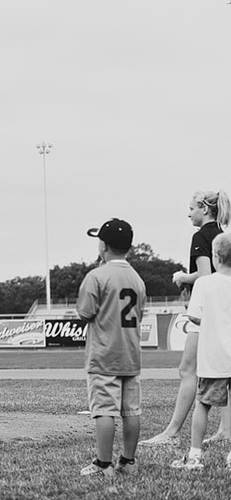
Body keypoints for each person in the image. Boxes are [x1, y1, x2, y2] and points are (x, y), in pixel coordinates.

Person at [140, 190, 231, 447]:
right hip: (225, 313)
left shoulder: (200, 236)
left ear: (204, 208)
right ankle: (225, 430)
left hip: (205, 313)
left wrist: (182, 276)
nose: (188, 213)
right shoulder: (223, 236)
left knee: (187, 370)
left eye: (191, 208)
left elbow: (203, 274)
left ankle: (171, 432)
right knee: (227, 371)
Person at [78, 218, 147, 477]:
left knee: (104, 410)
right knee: (131, 410)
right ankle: (128, 461)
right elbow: (139, 312)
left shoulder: (97, 275)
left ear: (103, 246)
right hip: (130, 353)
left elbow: (85, 313)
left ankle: (103, 464)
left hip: (104, 353)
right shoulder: (137, 278)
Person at [171, 232, 231, 470]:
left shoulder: (205, 284)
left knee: (203, 405)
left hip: (212, 357)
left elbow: (194, 316)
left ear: (215, 257)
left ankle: (195, 455)